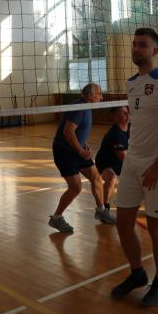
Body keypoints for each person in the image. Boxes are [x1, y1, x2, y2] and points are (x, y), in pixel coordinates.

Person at [111, 28, 158, 307]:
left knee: (156, 228)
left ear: (155, 50)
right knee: (123, 223)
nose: (136, 48)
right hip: (132, 162)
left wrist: (157, 165)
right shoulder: (131, 83)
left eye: (142, 45)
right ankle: (137, 273)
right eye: (134, 44)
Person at [49, 82, 116, 233]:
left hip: (76, 150)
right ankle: (56, 218)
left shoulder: (84, 106)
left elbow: (76, 131)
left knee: (96, 178)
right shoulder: (80, 108)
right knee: (76, 187)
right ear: (90, 96)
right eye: (99, 94)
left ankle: (101, 211)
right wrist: (80, 150)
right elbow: (68, 132)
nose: (101, 97)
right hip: (65, 152)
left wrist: (83, 144)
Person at [95, 106, 130, 210]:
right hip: (106, 162)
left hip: (119, 161)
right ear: (115, 117)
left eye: (127, 112)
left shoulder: (132, 128)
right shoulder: (115, 134)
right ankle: (104, 208)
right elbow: (124, 158)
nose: (127, 114)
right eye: (123, 113)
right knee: (112, 178)